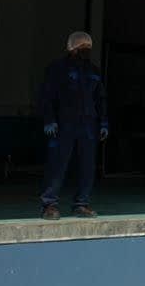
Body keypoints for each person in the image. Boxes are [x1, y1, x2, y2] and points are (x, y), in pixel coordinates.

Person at [37, 31, 108, 219]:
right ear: (72, 48)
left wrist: (103, 122)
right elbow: (47, 96)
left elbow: (100, 98)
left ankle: (81, 204)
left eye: (88, 47)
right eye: (82, 47)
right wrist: (49, 119)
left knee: (87, 165)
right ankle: (49, 205)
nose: (86, 50)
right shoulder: (57, 69)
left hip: (88, 125)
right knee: (57, 164)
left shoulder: (93, 71)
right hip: (64, 124)